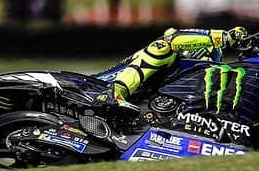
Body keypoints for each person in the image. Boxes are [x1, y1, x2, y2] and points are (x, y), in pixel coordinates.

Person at [103, 26, 249, 112]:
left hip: (141, 103)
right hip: (101, 85)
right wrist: (223, 37)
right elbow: (173, 38)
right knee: (161, 48)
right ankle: (115, 93)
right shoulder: (169, 47)